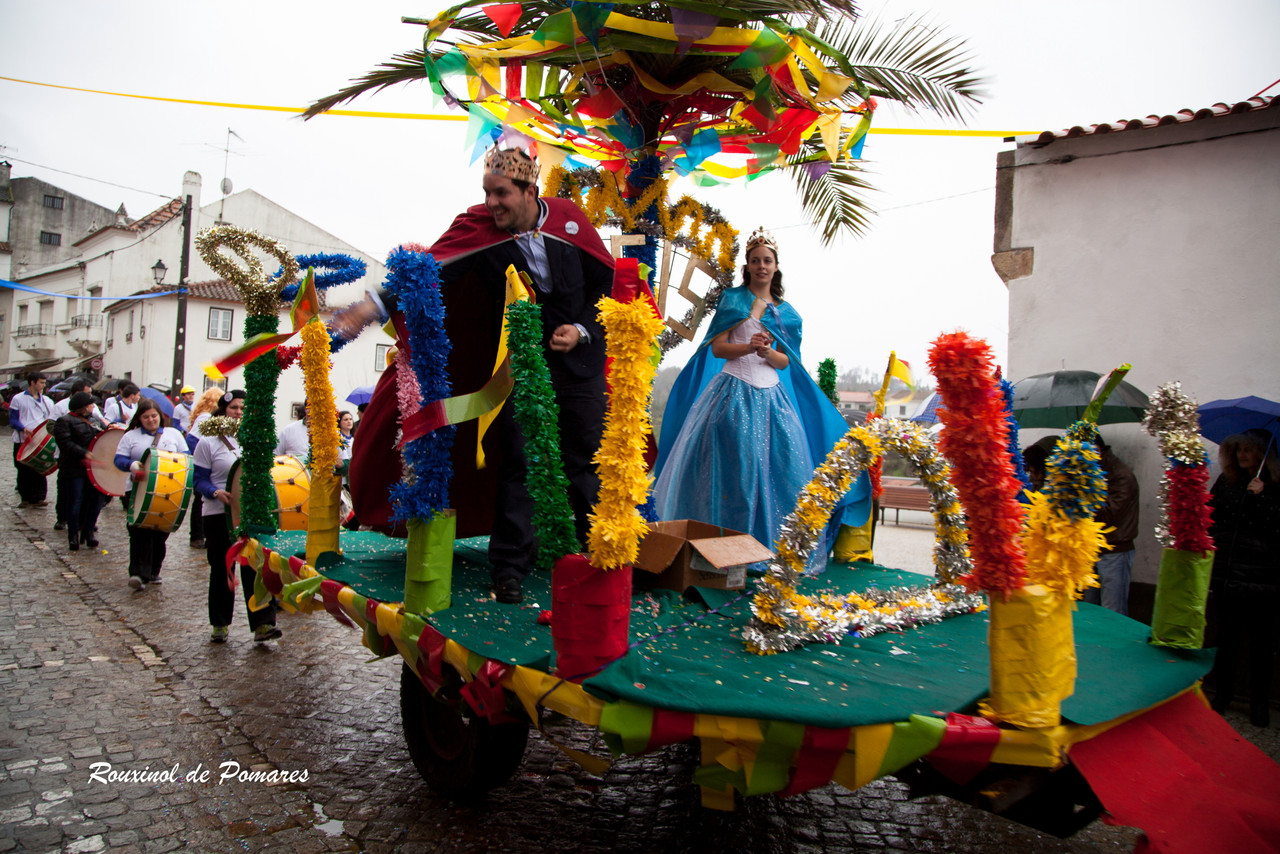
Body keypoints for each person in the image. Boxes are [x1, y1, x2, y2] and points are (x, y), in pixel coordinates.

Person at [338, 145, 614, 604]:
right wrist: (366, 308)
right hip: (518, 367)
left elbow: (604, 283)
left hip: (579, 367)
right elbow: (424, 273)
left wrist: (582, 329)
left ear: (530, 191)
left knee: (586, 462)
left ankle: (596, 562)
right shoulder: (479, 230)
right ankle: (508, 568)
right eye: (487, 193)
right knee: (518, 462)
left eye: (501, 194)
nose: (492, 204)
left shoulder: (570, 221)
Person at [653, 228, 870, 559]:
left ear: (776, 266)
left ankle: (770, 550)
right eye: (755, 261)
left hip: (771, 400)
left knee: (777, 472)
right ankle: (719, 548)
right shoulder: (734, 300)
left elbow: (787, 362)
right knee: (734, 471)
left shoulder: (789, 314)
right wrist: (748, 345)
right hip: (730, 397)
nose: (761, 266)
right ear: (748, 266)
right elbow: (719, 349)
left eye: (767, 260)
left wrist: (768, 354)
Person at [193, 390, 282, 644]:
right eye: (234, 408)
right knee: (222, 569)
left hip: (249, 513)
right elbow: (197, 480)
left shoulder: (253, 440)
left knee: (255, 568)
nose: (239, 412)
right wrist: (215, 492)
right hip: (217, 513)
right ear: (223, 411)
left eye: (243, 408)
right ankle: (219, 624)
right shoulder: (207, 443)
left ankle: (263, 624)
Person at [1207, 429, 1280, 727]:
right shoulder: (1227, 482)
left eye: (1249, 450)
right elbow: (1212, 518)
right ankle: (1222, 695)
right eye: (1238, 450)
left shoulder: (1274, 486)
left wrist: (1262, 500)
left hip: (1263, 580)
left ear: (1263, 453)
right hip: (1227, 575)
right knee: (1226, 641)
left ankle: (1259, 703)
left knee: (1261, 646)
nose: (1242, 455)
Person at [113, 399, 189, 590]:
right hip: (138, 490)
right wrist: (130, 465)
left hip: (168, 491)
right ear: (140, 418)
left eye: (154, 416)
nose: (151, 420)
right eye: (146, 417)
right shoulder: (130, 436)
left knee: (160, 533)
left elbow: (187, 457)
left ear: (160, 417)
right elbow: (118, 458)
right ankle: (138, 573)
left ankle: (154, 570)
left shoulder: (173, 434)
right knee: (139, 531)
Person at [1082, 436, 1139, 615]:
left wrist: (1085, 494)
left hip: (1115, 549)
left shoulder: (1120, 474)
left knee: (1112, 610)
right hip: (1092, 548)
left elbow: (1110, 514)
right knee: (1089, 608)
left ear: (1096, 450)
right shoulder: (1092, 472)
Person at [50, 392, 106, 552]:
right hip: (73, 468)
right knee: (75, 502)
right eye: (90, 404)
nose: (93, 406)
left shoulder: (93, 421)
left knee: (95, 501)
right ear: (83, 407)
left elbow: (99, 438)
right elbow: (64, 443)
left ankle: (88, 533)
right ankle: (73, 536)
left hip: (91, 468)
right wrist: (83, 453)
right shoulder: (64, 421)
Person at [10, 373, 57, 508]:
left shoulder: (47, 401)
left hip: (41, 439)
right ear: (32, 382)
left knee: (40, 468)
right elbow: (13, 419)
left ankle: (39, 497)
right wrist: (23, 428)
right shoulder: (18, 399)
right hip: (23, 439)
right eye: (41, 382)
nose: (44, 385)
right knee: (23, 468)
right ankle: (25, 497)